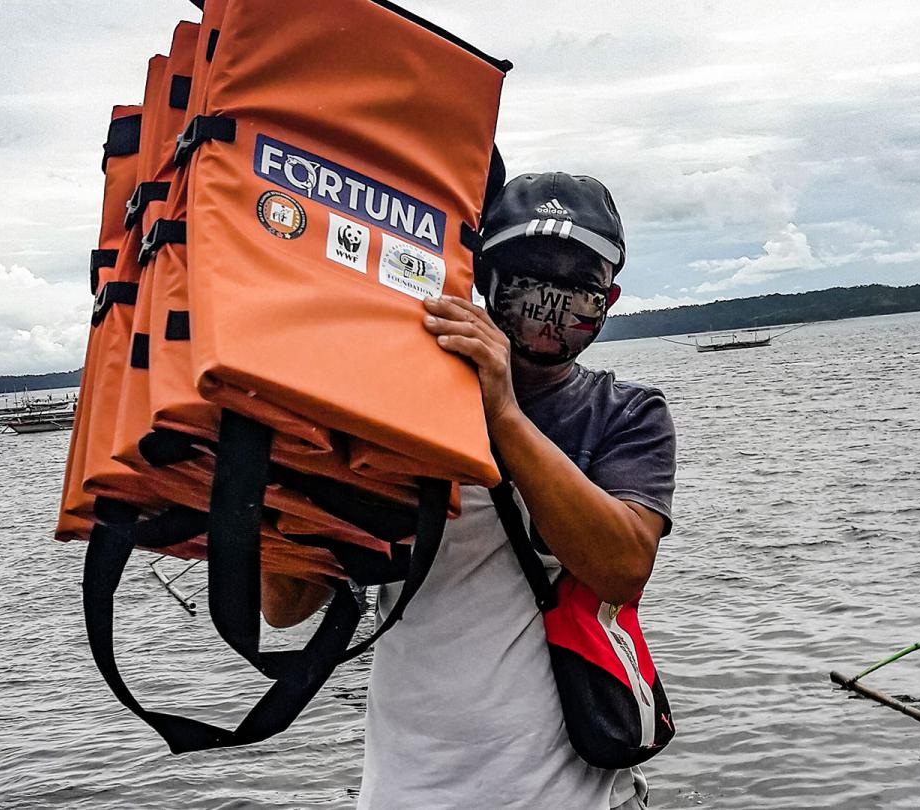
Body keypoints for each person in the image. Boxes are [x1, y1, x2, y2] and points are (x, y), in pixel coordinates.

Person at [267, 172, 676, 809]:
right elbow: (286, 605)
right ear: (482, 281)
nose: (549, 303)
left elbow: (622, 566)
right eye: (526, 276)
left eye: (577, 284)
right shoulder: (401, 409)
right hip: (407, 791)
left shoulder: (625, 414)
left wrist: (504, 414)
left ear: (610, 296)